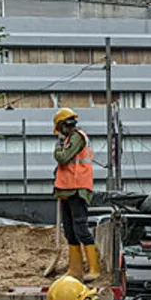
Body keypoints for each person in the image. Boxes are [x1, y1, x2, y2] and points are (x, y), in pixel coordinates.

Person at [52, 107, 100, 282]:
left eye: (60, 128)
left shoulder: (77, 137)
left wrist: (57, 148)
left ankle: (94, 268)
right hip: (67, 189)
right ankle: (75, 270)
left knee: (81, 228)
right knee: (70, 231)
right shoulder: (68, 140)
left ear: (64, 125)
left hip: (78, 189)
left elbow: (63, 158)